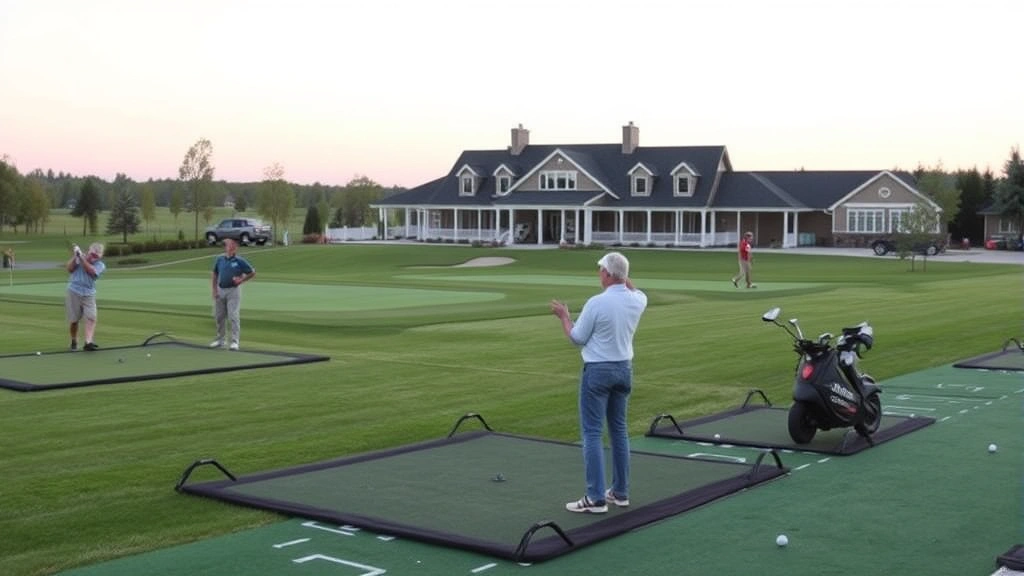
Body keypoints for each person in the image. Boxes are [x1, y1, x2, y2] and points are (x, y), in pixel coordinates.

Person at [550, 251, 647, 514]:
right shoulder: (639, 300)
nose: (598, 273)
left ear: (606, 274)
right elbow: (632, 287)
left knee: (592, 433)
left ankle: (595, 498)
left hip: (598, 371)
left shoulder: (597, 303)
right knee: (619, 430)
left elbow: (577, 338)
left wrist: (564, 317)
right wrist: (623, 276)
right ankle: (620, 492)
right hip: (624, 369)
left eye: (601, 269)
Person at [210, 239, 256, 350]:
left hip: (233, 291)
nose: (230, 247)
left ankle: (235, 341)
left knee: (233, 316)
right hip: (221, 289)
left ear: (235, 248)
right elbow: (215, 274)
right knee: (219, 316)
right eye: (228, 245)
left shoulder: (239, 260)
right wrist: (214, 290)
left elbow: (252, 272)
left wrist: (241, 280)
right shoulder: (220, 259)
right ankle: (220, 340)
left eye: (232, 245)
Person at [65, 242, 106, 351]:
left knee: (91, 317)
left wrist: (82, 259)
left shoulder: (100, 265)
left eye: (97, 256)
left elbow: (91, 272)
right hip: (74, 290)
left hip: (89, 293)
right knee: (74, 320)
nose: (94, 257)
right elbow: (69, 269)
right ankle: (74, 340)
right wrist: (76, 257)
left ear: (101, 256)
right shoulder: (79, 258)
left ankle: (88, 342)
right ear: (89, 251)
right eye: (93, 254)